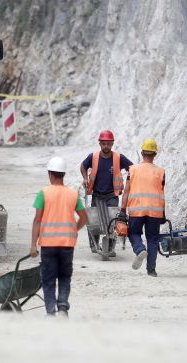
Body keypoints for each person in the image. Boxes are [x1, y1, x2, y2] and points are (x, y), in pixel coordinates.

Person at [30, 156, 88, 317]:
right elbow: (84, 218)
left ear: (50, 174)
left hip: (48, 244)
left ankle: (50, 312)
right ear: (63, 174)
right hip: (67, 244)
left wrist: (33, 245)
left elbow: (37, 220)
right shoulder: (72, 194)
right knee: (64, 277)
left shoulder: (44, 193)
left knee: (48, 280)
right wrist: (73, 230)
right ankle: (62, 307)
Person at [80, 130, 133, 254]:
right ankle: (94, 244)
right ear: (99, 143)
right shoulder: (93, 157)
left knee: (113, 219)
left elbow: (132, 168)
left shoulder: (119, 158)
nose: (106, 146)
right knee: (94, 219)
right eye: (103, 144)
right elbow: (83, 166)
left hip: (111, 194)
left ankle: (110, 247)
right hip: (96, 193)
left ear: (112, 143)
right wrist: (85, 178)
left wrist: (129, 181)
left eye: (108, 144)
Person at [120, 138, 165, 277]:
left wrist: (122, 210)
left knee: (133, 233)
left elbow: (126, 190)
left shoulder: (132, 170)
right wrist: (163, 213)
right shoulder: (161, 172)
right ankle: (151, 270)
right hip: (154, 211)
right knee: (152, 239)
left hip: (136, 209)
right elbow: (162, 193)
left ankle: (139, 249)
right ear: (155, 154)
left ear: (141, 152)